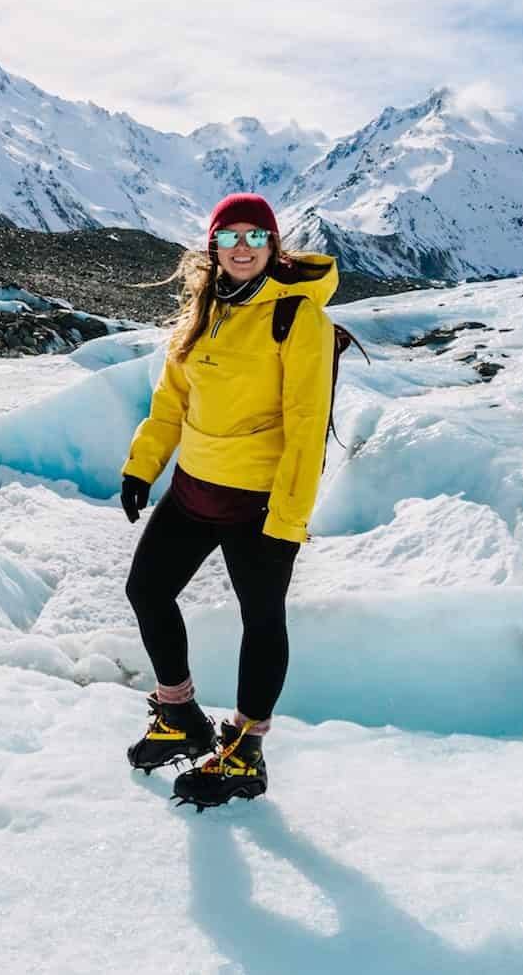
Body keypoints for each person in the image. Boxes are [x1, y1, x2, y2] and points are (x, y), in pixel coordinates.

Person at [118, 192, 339, 809]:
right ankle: (180, 715)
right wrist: (143, 466)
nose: (243, 247)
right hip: (194, 486)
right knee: (147, 590)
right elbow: (171, 403)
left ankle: (244, 752)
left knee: (261, 619)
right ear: (212, 247)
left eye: (255, 236)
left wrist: (288, 517)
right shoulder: (202, 309)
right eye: (230, 236)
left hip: (259, 501)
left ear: (274, 246)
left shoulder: (298, 317)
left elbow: (306, 426)